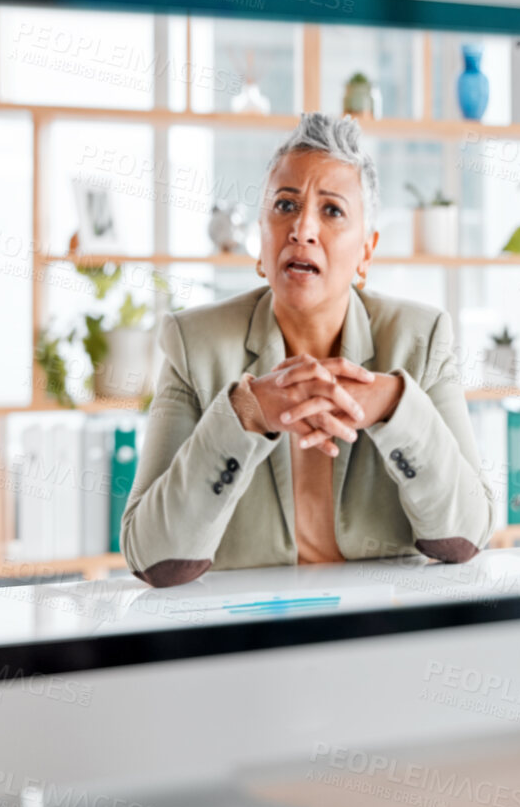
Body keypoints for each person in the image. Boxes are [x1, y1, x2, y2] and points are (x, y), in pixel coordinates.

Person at [120, 113, 494, 586]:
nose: (302, 229)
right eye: (284, 205)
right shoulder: (194, 344)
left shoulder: (421, 339)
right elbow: (150, 553)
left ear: (367, 252)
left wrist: (393, 406)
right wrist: (245, 414)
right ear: (260, 243)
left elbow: (467, 534)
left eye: (333, 211)